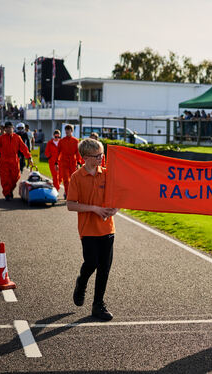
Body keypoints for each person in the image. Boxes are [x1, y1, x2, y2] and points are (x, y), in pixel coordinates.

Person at [67, 138, 119, 321]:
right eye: (97, 156)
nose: (101, 158)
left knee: (104, 268)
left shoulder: (107, 174)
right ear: (86, 157)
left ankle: (98, 305)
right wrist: (95, 209)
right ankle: (81, 283)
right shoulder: (76, 177)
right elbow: (71, 205)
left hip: (108, 229)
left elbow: (118, 197)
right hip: (88, 230)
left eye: (102, 155)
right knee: (91, 263)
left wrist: (115, 209)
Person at [0, 122, 32, 200]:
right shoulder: (1, 138)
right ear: (5, 129)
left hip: (14, 160)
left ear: (12, 128)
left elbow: (23, 148)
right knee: (5, 179)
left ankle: (9, 190)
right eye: (6, 128)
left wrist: (29, 157)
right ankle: (7, 194)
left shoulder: (17, 137)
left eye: (9, 127)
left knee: (16, 177)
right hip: (4, 161)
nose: (8, 129)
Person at [58, 124, 83, 199]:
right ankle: (67, 193)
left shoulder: (76, 141)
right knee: (66, 179)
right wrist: (56, 162)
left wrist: (78, 163)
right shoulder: (62, 141)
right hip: (64, 162)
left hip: (73, 162)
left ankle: (73, 194)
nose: (67, 132)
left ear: (72, 131)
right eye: (66, 130)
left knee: (73, 179)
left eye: (69, 130)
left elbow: (78, 153)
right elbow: (58, 152)